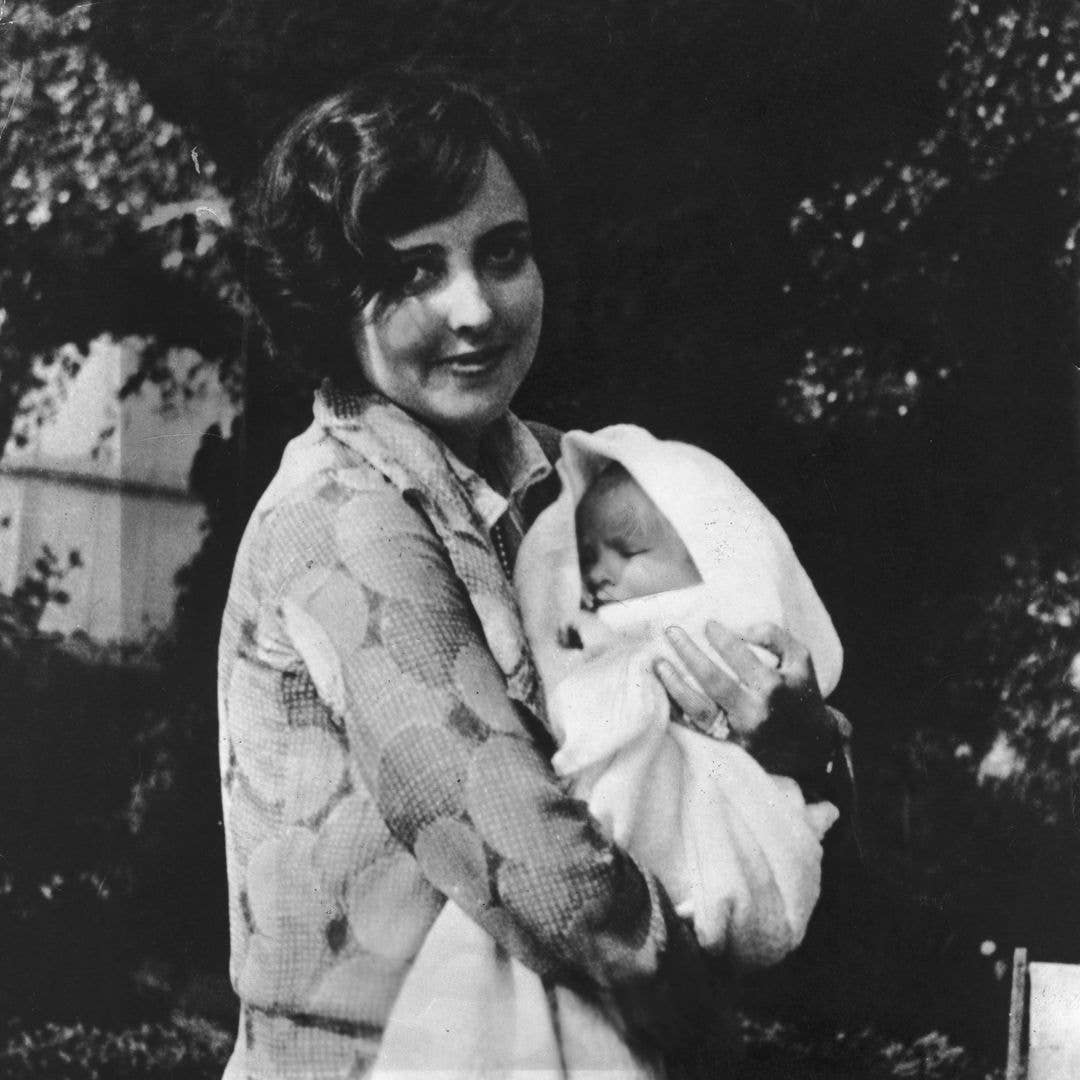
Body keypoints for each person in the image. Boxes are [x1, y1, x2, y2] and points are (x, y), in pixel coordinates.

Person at [219, 69, 848, 1079]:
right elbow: (545, 874)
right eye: (416, 272)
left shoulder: (587, 483)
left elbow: (775, 717)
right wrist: (712, 1033)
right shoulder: (342, 518)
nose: (475, 308)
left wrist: (797, 739)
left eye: (502, 254)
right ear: (334, 297)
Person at [371, 425, 846, 1078]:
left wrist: (804, 750)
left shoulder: (575, 469)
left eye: (626, 551)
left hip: (703, 879)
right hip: (601, 925)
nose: (596, 573)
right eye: (591, 553)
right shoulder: (359, 509)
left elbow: (806, 750)